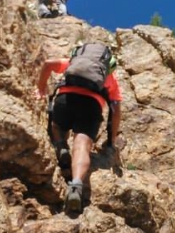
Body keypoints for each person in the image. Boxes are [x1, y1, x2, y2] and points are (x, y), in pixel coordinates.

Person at [35, 43, 122, 213]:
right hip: (91, 106)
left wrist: (40, 89)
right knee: (82, 145)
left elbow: (48, 63)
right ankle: (76, 186)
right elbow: (116, 110)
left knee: (57, 125)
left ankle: (61, 145)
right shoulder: (109, 78)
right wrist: (111, 139)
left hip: (65, 100)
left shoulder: (74, 64)